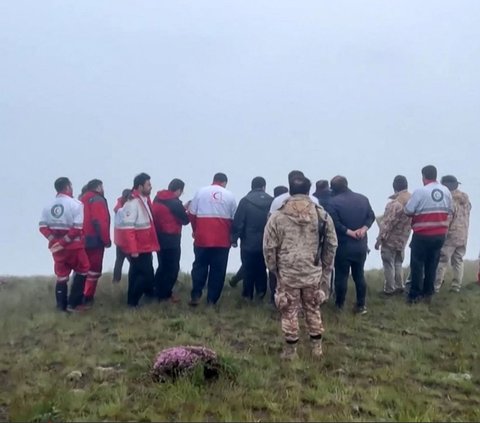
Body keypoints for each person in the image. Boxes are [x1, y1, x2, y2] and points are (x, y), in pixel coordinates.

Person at [263, 176, 337, 359]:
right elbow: (332, 243)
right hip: (312, 270)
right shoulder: (321, 214)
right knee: (313, 307)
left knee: (288, 310)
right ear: (308, 191)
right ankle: (316, 349)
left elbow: (268, 246)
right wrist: (325, 267)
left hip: (287, 272)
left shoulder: (277, 216)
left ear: (290, 189)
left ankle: (291, 351)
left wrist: (273, 268)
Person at [39, 177, 90, 312]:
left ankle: (61, 306)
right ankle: (74, 303)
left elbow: (42, 227)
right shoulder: (76, 204)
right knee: (83, 269)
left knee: (61, 276)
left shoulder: (48, 205)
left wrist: (55, 241)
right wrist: (63, 242)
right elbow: (77, 228)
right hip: (74, 247)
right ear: (67, 187)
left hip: (57, 249)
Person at [404, 165, 453, 304]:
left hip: (422, 234)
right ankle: (428, 293)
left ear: (424, 177)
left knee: (417, 264)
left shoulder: (420, 191)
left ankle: (414, 295)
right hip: (440, 234)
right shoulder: (446, 191)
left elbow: (408, 210)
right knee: (432, 264)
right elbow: (451, 210)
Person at [327, 175, 375, 314]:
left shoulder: (332, 203)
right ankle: (361, 305)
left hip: (343, 245)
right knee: (359, 275)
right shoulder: (363, 198)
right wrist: (363, 229)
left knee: (341, 276)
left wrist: (349, 232)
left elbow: (334, 224)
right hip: (360, 244)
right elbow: (370, 216)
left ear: (333, 188)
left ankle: (339, 305)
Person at [188, 172, 236, 306]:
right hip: (222, 240)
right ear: (224, 183)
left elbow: (191, 214)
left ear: (213, 180)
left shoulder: (200, 192)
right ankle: (211, 300)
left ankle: (196, 294)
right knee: (218, 270)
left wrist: (195, 230)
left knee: (199, 266)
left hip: (202, 238)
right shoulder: (230, 196)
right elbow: (234, 220)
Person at [115, 173, 160, 307]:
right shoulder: (133, 203)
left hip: (145, 246)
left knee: (135, 274)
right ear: (140, 187)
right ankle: (133, 302)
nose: (151, 187)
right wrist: (133, 249)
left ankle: (132, 302)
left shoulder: (143, 200)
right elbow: (128, 228)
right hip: (139, 248)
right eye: (148, 185)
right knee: (145, 276)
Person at [231, 176, 273, 300]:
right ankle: (261, 292)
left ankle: (247, 294)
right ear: (264, 187)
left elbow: (239, 221)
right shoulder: (271, 201)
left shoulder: (245, 201)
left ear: (252, 186)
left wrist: (234, 238)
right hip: (266, 241)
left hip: (248, 241)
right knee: (262, 267)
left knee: (248, 267)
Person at [152, 178, 190, 302]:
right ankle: (166, 295)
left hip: (158, 236)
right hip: (171, 239)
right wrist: (187, 210)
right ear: (178, 190)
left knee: (162, 266)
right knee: (172, 268)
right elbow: (185, 220)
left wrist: (181, 208)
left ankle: (156, 290)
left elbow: (168, 213)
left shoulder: (158, 198)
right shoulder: (175, 203)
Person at [374, 175, 411, 295]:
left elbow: (387, 224)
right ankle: (400, 286)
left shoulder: (394, 204)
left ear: (394, 187)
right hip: (403, 239)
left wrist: (379, 240)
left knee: (388, 263)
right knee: (398, 262)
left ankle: (389, 289)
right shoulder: (411, 201)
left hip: (391, 239)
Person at [434, 175, 471, 293]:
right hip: (463, 234)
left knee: (442, 260)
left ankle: (436, 286)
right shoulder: (465, 200)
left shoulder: (450, 201)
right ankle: (456, 286)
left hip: (450, 236)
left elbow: (447, 220)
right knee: (458, 260)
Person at [80, 179, 111, 305]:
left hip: (81, 239)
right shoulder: (97, 199)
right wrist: (106, 240)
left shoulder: (81, 199)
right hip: (94, 240)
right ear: (98, 187)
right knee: (94, 270)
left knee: (82, 269)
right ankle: (88, 296)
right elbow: (99, 221)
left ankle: (78, 295)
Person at [112, 189, 132, 283]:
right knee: (133, 262)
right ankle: (133, 280)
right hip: (126, 240)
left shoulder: (118, 207)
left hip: (119, 239)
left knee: (119, 261)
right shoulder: (124, 208)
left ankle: (116, 281)